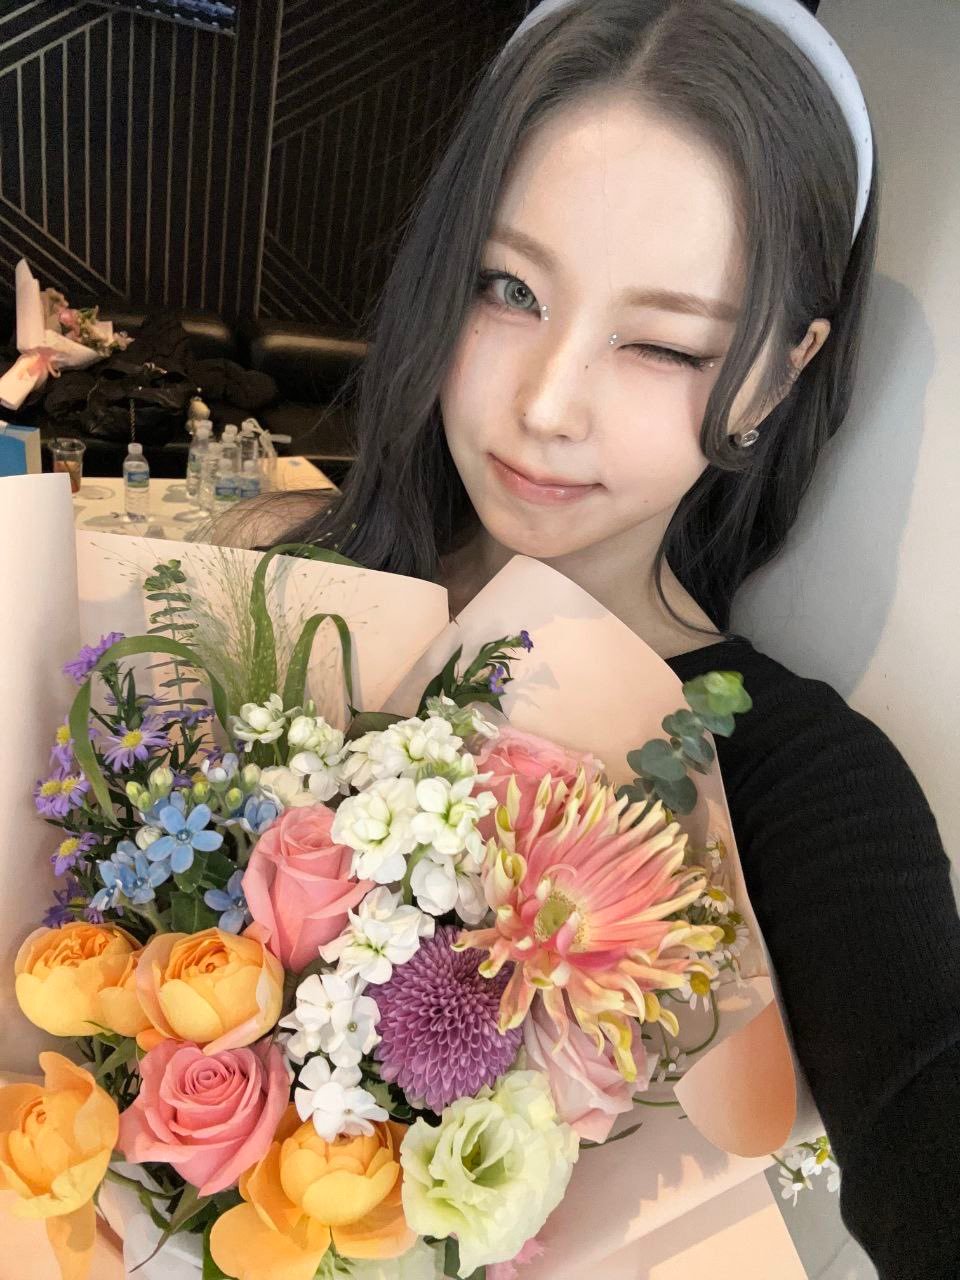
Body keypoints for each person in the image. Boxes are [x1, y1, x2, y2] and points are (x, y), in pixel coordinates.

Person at [217, 1, 960, 1275]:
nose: (547, 404)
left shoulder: (793, 776)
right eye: (508, 288)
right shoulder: (275, 591)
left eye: (664, 343)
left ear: (783, 371)